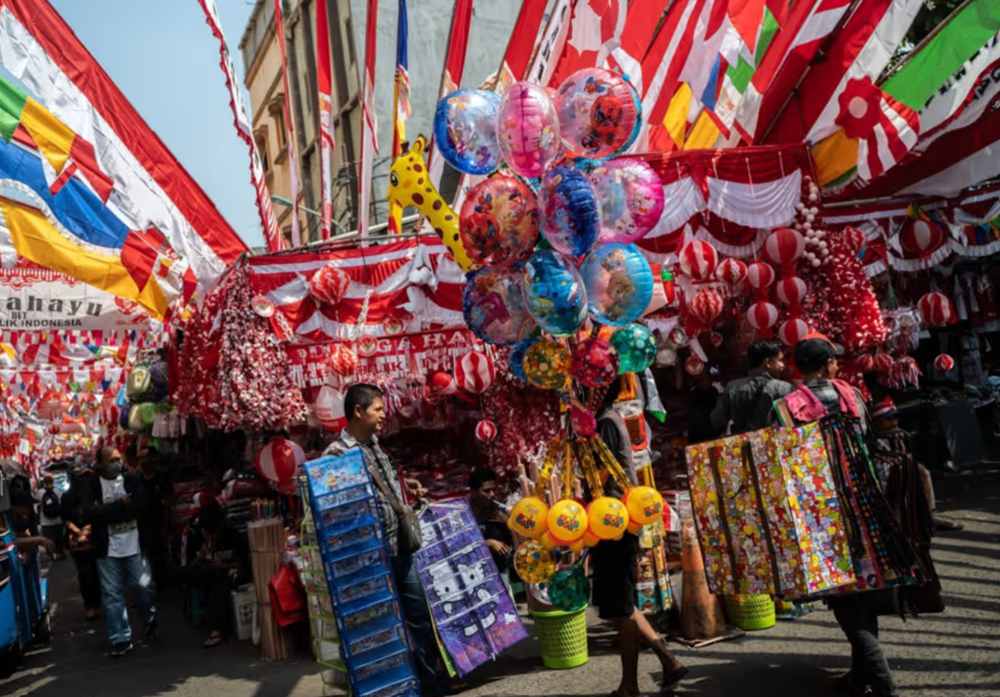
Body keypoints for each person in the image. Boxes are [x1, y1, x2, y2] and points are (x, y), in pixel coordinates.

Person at [781, 334, 898, 697]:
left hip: (822, 514)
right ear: (830, 363)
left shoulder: (786, 404)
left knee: (847, 600)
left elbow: (788, 461)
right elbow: (869, 437)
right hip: (864, 504)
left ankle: (878, 683)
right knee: (860, 594)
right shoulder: (851, 395)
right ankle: (865, 679)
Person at [323, 384, 452, 696]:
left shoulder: (374, 444)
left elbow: (382, 482)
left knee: (419, 616)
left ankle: (432, 684)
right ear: (358, 411)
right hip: (370, 559)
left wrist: (402, 482)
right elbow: (329, 508)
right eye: (378, 409)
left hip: (400, 550)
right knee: (379, 626)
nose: (384, 415)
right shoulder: (336, 455)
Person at [591, 377, 687, 697]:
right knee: (624, 603)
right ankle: (665, 662)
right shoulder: (614, 418)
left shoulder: (606, 422)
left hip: (613, 522)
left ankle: (634, 682)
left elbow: (597, 473)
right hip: (618, 521)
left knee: (622, 604)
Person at [81, 445, 158, 657]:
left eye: (118, 459)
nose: (117, 463)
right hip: (107, 550)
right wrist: (119, 506)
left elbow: (140, 508)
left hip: (134, 544)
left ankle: (149, 619)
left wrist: (107, 512)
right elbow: (88, 513)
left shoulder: (131, 480)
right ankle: (120, 638)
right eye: (112, 460)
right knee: (112, 595)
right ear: (100, 464)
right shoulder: (92, 484)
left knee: (143, 586)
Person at [175, 501, 247, 648]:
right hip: (206, 572)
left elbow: (244, 561)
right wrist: (200, 557)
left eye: (215, 533)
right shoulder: (195, 535)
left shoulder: (232, 535)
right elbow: (190, 565)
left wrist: (226, 566)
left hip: (225, 573)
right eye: (208, 533)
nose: (211, 537)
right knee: (180, 572)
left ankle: (219, 629)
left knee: (220, 582)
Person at [710, 340, 794, 435]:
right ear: (768, 363)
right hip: (773, 445)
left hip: (742, 446)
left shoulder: (732, 387)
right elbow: (791, 426)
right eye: (780, 360)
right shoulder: (783, 388)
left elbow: (717, 421)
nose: (782, 365)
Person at [60, 462, 102, 621]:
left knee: (96, 572)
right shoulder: (68, 496)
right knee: (86, 573)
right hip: (80, 541)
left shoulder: (94, 493)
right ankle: (92, 605)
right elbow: (66, 519)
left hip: (95, 537)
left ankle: (95, 604)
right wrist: (80, 533)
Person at [468, 468, 512, 576]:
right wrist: (488, 543)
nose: (492, 494)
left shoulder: (501, 511)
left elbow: (518, 542)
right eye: (486, 491)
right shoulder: (464, 514)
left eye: (494, 490)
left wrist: (508, 523)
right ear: (474, 493)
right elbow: (460, 545)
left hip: (501, 570)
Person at [36, 475, 65, 560]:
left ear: (44, 482)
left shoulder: (40, 492)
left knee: (48, 539)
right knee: (59, 538)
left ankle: (52, 554)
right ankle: (60, 553)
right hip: (58, 520)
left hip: (45, 522)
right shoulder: (59, 491)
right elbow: (63, 505)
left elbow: (35, 506)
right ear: (53, 481)